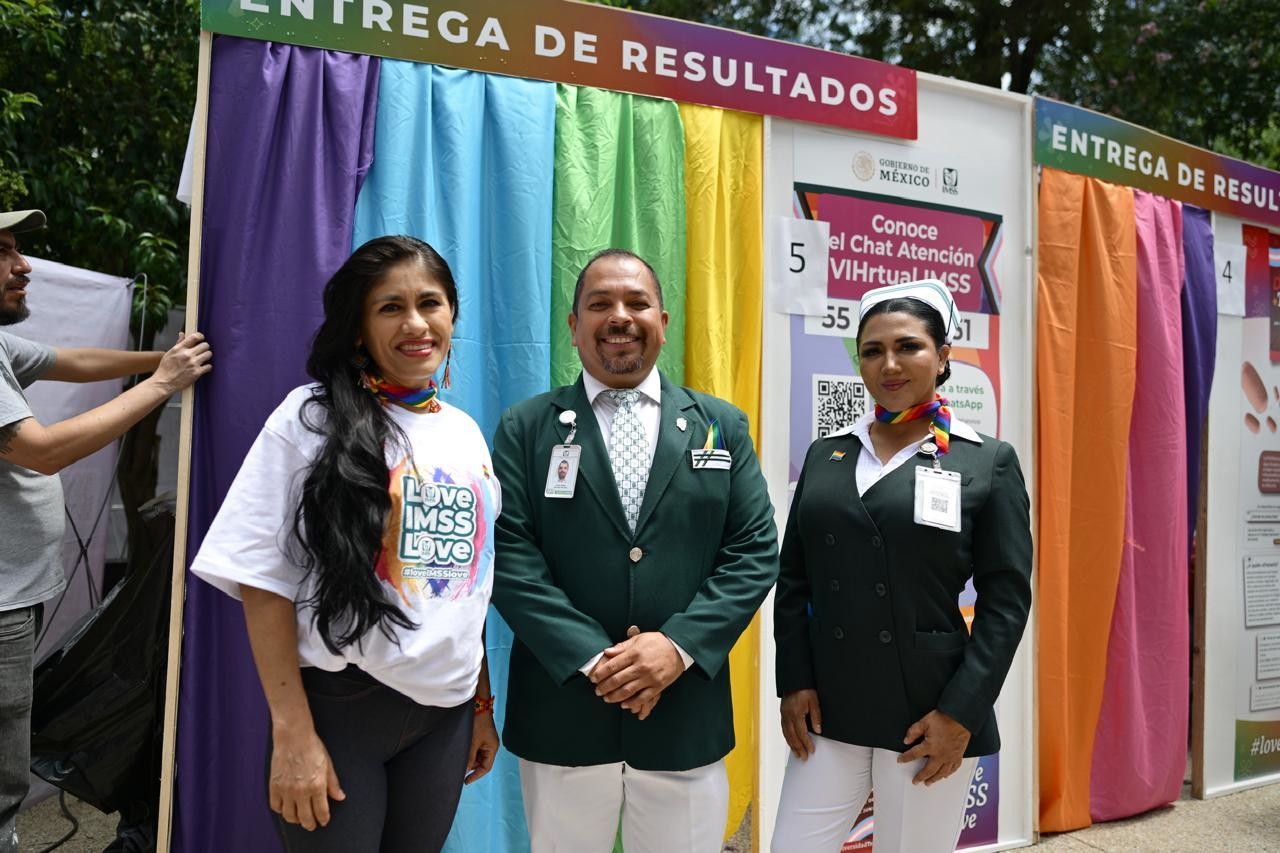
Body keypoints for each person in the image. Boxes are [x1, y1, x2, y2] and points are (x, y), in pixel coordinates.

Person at [190, 236, 500, 852]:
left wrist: (482, 702)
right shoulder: (311, 417)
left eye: (430, 303)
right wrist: (293, 733)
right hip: (343, 713)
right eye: (390, 307)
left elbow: (465, 581)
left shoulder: (464, 432)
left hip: (446, 715)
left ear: (451, 315)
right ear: (358, 329)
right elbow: (260, 579)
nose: (415, 323)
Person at [491, 248, 778, 852]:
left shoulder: (720, 425)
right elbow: (509, 557)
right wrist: (597, 661)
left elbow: (754, 550)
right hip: (565, 713)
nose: (619, 316)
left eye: (636, 302)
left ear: (663, 321)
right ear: (573, 327)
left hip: (683, 716)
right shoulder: (526, 428)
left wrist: (676, 648)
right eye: (599, 304)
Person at [771, 279, 1032, 852]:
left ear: (942, 357)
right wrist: (794, 680)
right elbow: (794, 580)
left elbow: (1006, 603)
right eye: (872, 350)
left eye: (908, 346)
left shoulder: (985, 461)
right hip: (829, 707)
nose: (889, 364)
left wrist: (960, 712)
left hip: (927, 714)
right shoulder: (828, 452)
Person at [0, 208, 212, 853]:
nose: (24, 266)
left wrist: (170, 355)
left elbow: (77, 359)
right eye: (4, 252)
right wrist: (162, 385)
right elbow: (41, 449)